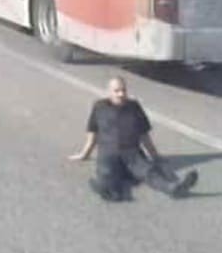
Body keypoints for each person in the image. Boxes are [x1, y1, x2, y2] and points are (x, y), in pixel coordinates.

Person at [69, 77, 198, 201]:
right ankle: (109, 191)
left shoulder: (134, 107)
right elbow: (93, 133)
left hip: (131, 153)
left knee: (148, 171)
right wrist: (84, 154)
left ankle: (173, 188)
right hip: (109, 153)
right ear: (109, 92)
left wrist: (155, 156)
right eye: (116, 91)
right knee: (108, 175)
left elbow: (144, 135)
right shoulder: (99, 107)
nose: (121, 94)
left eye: (123, 90)